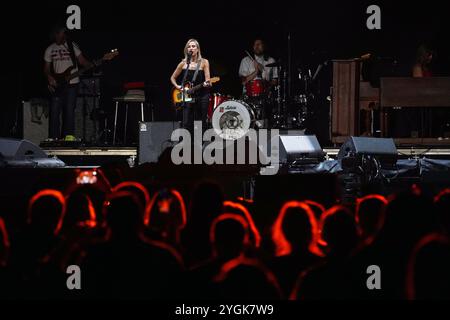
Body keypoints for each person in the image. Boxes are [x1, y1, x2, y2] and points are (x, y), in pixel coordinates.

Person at [44, 25, 93, 140]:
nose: (62, 35)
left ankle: (68, 138)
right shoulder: (50, 49)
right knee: (54, 112)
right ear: (55, 34)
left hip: (72, 84)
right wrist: (49, 77)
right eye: (60, 33)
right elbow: (46, 68)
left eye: (63, 33)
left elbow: (82, 61)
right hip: (57, 85)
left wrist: (92, 64)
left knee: (69, 111)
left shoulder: (72, 46)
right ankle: (53, 139)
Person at [170, 39, 211, 133]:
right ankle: (186, 144)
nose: (191, 48)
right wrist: (178, 86)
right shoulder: (183, 63)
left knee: (200, 122)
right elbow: (172, 78)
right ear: (186, 50)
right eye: (189, 46)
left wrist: (207, 83)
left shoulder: (204, 62)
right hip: (188, 95)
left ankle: (200, 144)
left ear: (197, 49)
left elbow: (208, 80)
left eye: (193, 46)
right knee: (186, 122)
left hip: (202, 95)